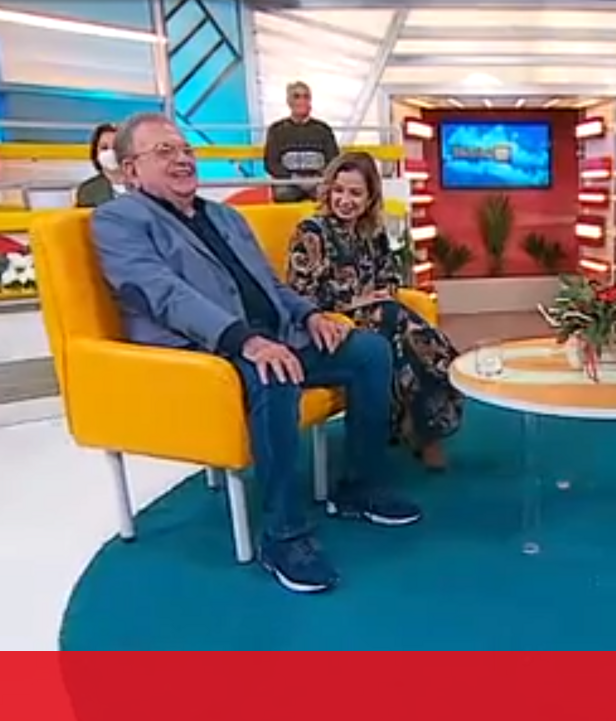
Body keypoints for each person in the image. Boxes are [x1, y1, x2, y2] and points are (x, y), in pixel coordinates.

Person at [91, 112, 420, 594]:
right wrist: (243, 339)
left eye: (186, 150)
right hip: (206, 351)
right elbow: (161, 294)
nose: (182, 159)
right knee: (275, 373)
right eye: (165, 152)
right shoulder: (118, 220)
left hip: (275, 335)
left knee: (369, 351)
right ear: (130, 170)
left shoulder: (225, 216)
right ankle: (284, 535)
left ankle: (360, 487)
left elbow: (271, 285)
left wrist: (310, 315)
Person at [287, 152, 464, 470]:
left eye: (355, 193)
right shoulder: (311, 231)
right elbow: (301, 295)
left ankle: (418, 425)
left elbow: (391, 278)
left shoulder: (373, 232)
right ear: (328, 190)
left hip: (378, 315)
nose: (345, 200)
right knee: (397, 324)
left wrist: (377, 296)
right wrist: (358, 300)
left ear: (370, 198)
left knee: (395, 328)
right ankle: (426, 427)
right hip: (328, 324)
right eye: (339, 190)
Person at [263, 81, 340, 203]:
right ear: (289, 101)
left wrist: (318, 178)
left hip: (318, 181)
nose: (302, 100)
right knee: (284, 194)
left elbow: (334, 159)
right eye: (297, 96)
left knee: (329, 194)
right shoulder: (276, 130)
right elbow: (271, 163)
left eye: (306, 96)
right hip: (288, 182)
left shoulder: (323, 129)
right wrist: (294, 179)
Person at [75, 123, 128, 208]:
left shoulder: (147, 185)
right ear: (95, 154)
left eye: (116, 147)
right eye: (104, 148)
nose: (111, 152)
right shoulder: (88, 191)